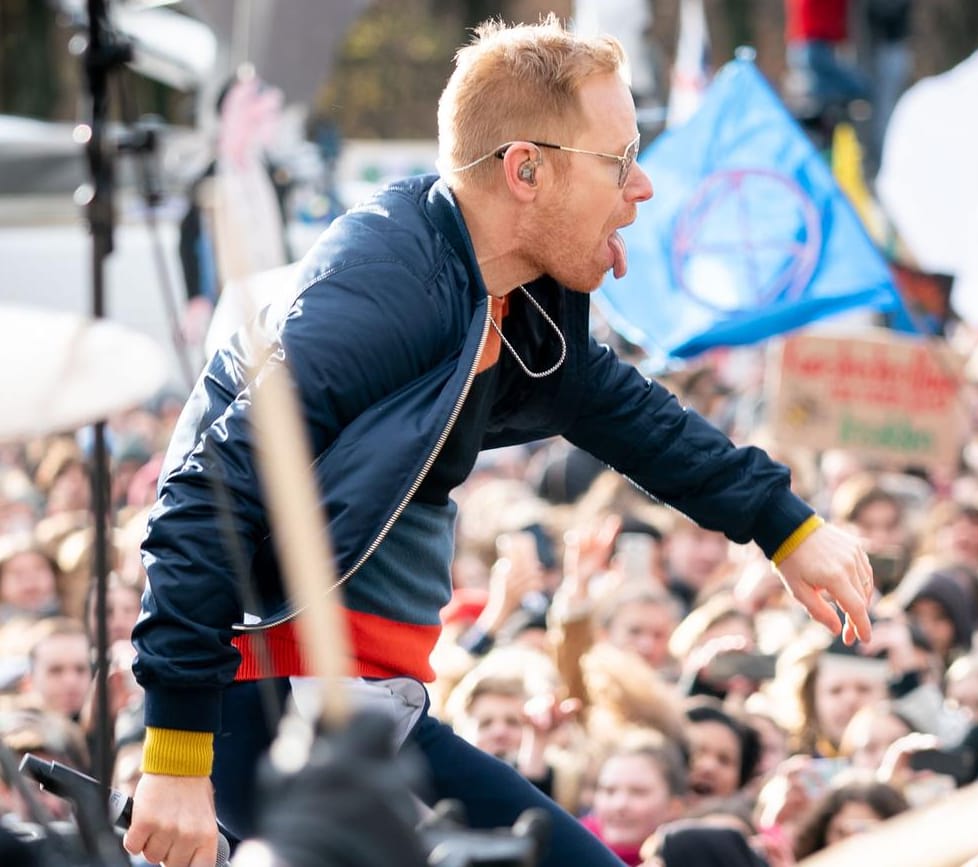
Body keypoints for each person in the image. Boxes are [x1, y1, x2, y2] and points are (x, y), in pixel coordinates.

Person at [126, 17, 874, 867]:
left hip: (368, 705)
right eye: (620, 161)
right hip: (291, 707)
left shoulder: (520, 300)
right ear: (527, 170)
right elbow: (207, 490)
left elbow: (635, 418)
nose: (644, 190)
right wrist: (176, 752)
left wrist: (785, 524)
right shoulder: (391, 283)